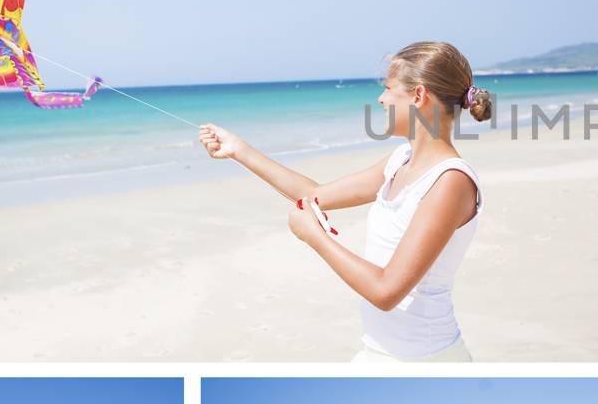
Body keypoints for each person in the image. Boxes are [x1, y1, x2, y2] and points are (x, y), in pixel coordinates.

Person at [199, 41, 489, 363]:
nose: (380, 99)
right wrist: (239, 151)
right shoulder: (399, 160)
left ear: (418, 96)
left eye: (389, 89)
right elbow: (313, 194)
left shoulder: (450, 181)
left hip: (426, 362)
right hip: (379, 355)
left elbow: (386, 290)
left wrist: (316, 238)